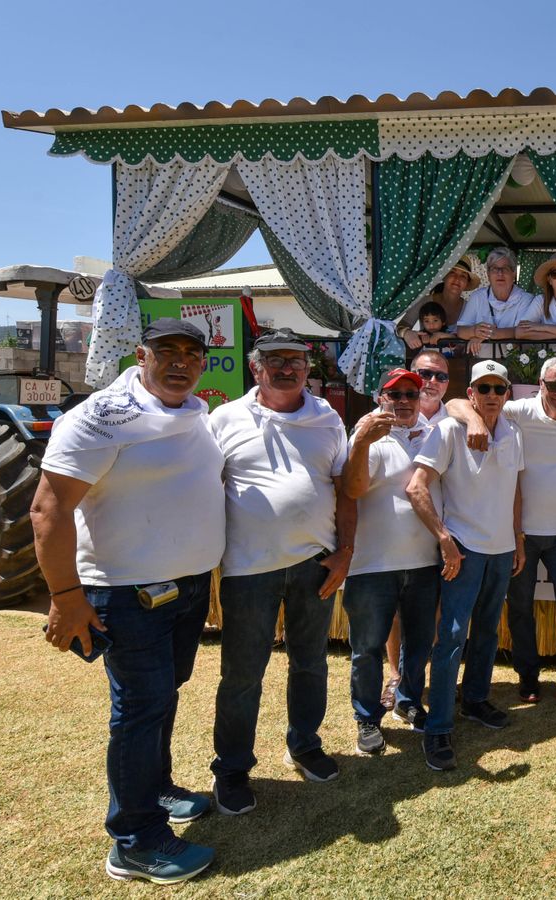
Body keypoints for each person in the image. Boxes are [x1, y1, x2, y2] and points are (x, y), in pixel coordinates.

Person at [32, 318, 225, 884]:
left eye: (191, 352)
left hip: (186, 586)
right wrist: (66, 596)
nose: (180, 361)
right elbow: (47, 509)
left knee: (164, 695)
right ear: (141, 355)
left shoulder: (194, 412)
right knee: (140, 709)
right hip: (127, 592)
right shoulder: (100, 416)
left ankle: (157, 790)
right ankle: (134, 842)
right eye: (167, 351)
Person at [207, 329, 354, 815]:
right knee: (243, 673)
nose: (287, 368)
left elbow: (345, 490)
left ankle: (305, 745)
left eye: (296, 360)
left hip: (315, 564)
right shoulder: (224, 419)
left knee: (310, 663)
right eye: (276, 360)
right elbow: (202, 489)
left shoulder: (327, 418)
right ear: (256, 368)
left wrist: (344, 552)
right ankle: (232, 769)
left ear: (308, 368)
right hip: (249, 569)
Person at [447, 356, 556, 714]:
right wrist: (473, 420)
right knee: (519, 609)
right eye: (553, 385)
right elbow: (455, 403)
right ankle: (527, 675)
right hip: (520, 534)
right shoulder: (519, 410)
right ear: (540, 385)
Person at [407, 360, 525, 771]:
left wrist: (518, 538)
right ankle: (438, 727)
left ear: (507, 394)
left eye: (499, 388)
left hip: (501, 550)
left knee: (488, 632)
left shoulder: (513, 432)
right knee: (453, 637)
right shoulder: (448, 430)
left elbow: (515, 488)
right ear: (471, 393)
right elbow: (416, 487)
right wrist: (444, 538)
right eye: (484, 388)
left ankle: (474, 699)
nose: (492, 395)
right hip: (466, 550)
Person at [341, 369, 440, 750]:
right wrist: (363, 442)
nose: (403, 401)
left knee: (418, 644)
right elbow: (353, 489)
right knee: (367, 649)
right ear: (381, 398)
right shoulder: (367, 434)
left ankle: (408, 701)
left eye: (410, 394)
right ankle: (367, 718)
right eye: (394, 394)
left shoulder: (432, 433)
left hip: (423, 561)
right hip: (373, 564)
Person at [457, 247, 539, 356]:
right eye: (495, 269)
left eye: (505, 268)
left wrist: (489, 334)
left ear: (514, 273)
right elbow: (461, 330)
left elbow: (523, 332)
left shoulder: (526, 299)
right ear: (488, 274)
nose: (500, 273)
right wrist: (475, 331)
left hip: (515, 363)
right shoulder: (477, 297)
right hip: (481, 362)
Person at [400, 259, 477, 349]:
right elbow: (400, 327)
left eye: (463, 276)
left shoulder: (470, 308)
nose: (457, 279)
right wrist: (406, 333)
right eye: (452, 273)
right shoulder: (424, 301)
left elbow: (477, 336)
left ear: (467, 283)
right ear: (444, 276)